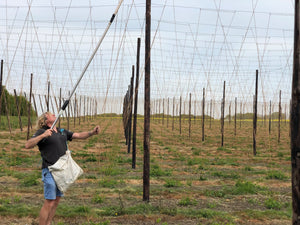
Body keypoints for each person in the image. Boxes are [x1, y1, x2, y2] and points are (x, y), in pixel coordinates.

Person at [25, 112, 100, 225]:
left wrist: (92, 133)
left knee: (56, 201)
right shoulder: (42, 131)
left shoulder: (61, 131)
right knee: (49, 201)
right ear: (46, 120)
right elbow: (28, 145)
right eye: (51, 114)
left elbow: (78, 135)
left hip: (62, 171)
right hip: (50, 170)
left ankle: (48, 223)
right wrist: (43, 135)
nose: (54, 115)